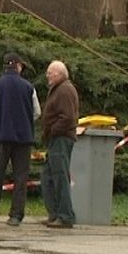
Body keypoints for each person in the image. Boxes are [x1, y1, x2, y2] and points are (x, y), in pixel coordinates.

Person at [0, 52, 41, 226]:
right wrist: (25, 121)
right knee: (21, 177)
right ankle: (16, 215)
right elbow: (37, 112)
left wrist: (0, 119)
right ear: (18, 66)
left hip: (2, 135)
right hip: (24, 138)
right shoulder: (28, 87)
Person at [40, 60, 80, 229]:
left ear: (59, 74)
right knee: (48, 177)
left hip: (61, 139)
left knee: (59, 176)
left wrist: (53, 131)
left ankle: (65, 216)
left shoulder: (64, 90)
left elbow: (68, 118)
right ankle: (55, 213)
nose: (47, 75)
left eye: (50, 72)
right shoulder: (59, 89)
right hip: (56, 139)